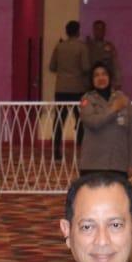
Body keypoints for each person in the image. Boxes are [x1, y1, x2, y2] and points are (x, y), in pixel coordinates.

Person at [77, 63, 132, 177]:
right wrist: (113, 109)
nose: (101, 78)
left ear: (110, 77)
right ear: (92, 80)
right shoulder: (87, 100)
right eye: (96, 75)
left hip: (118, 163)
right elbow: (93, 122)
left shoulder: (123, 99)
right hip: (93, 164)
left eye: (104, 74)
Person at [50, 21, 89, 159]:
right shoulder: (82, 47)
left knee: (59, 119)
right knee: (81, 119)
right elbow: (86, 67)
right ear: (78, 31)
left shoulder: (59, 47)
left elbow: (52, 67)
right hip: (78, 88)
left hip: (61, 88)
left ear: (66, 32)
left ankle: (56, 149)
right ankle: (81, 148)